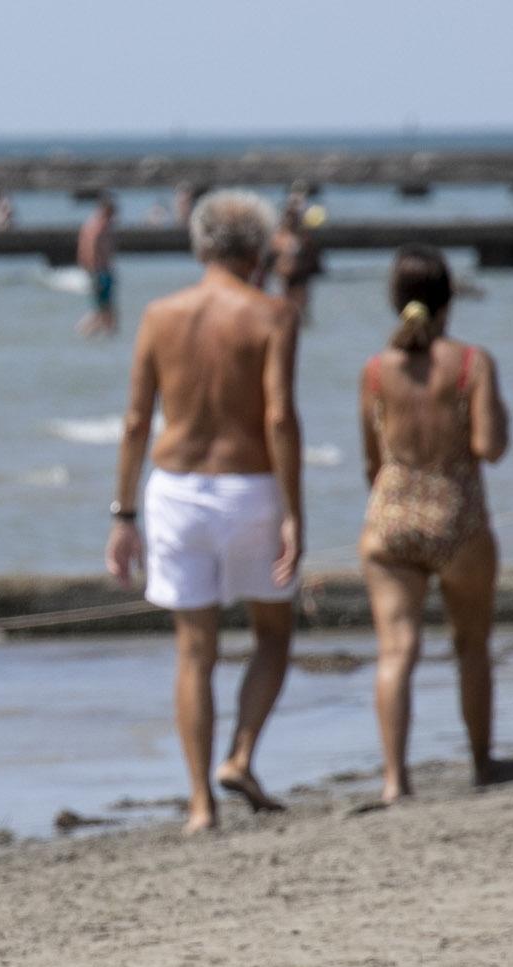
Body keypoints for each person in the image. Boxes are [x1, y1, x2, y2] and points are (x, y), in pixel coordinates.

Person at [104, 192, 303, 833]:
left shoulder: (161, 315)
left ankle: (198, 804)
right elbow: (278, 417)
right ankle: (239, 756)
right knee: (272, 633)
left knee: (194, 653)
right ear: (258, 251)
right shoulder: (273, 315)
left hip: (177, 491)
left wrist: (123, 514)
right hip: (249, 486)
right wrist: (295, 511)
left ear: (200, 246)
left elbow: (136, 422)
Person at [357, 246, 513, 806]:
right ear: (450, 298)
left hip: (391, 519)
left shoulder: (376, 370)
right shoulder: (472, 364)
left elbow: (373, 463)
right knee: (471, 644)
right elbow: (488, 447)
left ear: (395, 301)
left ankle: (395, 780)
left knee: (396, 651)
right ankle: (481, 762)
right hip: (457, 517)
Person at [264, 184, 324, 319]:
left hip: (299, 278)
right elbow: (266, 262)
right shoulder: (277, 238)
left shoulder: (304, 237)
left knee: (300, 312)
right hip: (281, 278)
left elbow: (314, 261)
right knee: (282, 312)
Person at [76, 194, 119, 338]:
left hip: (100, 270)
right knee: (102, 309)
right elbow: (89, 249)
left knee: (106, 309)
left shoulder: (96, 225)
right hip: (100, 271)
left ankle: (107, 337)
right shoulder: (97, 227)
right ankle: (83, 332)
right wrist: (93, 270)